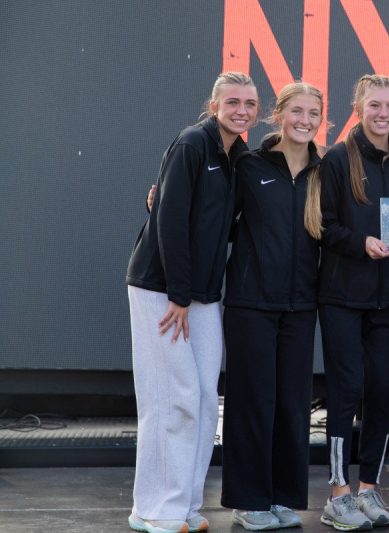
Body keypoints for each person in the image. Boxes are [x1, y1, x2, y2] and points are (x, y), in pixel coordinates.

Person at [126, 72, 258, 533]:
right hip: (162, 290)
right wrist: (178, 295)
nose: (242, 110)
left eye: (250, 103)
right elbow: (169, 220)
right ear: (214, 103)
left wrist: (193, 295)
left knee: (202, 400)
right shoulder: (192, 144)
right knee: (170, 398)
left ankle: (178, 506)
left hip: (202, 295)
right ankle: (158, 511)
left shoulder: (238, 155)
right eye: (234, 101)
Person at [220, 82, 325, 531]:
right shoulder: (250, 166)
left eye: (313, 113)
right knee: (252, 402)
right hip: (251, 303)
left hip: (302, 305)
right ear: (278, 115)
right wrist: (159, 202)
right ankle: (249, 501)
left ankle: (283, 497)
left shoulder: (327, 171)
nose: (305, 120)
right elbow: (215, 219)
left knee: (292, 404)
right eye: (296, 111)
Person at [317, 74, 389, 531]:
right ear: (358, 106)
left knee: (379, 393)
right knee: (345, 391)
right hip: (341, 298)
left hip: (388, 301)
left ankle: (369, 488)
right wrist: (362, 243)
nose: (383, 113)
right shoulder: (336, 159)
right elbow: (324, 226)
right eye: (375, 105)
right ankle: (338, 493)